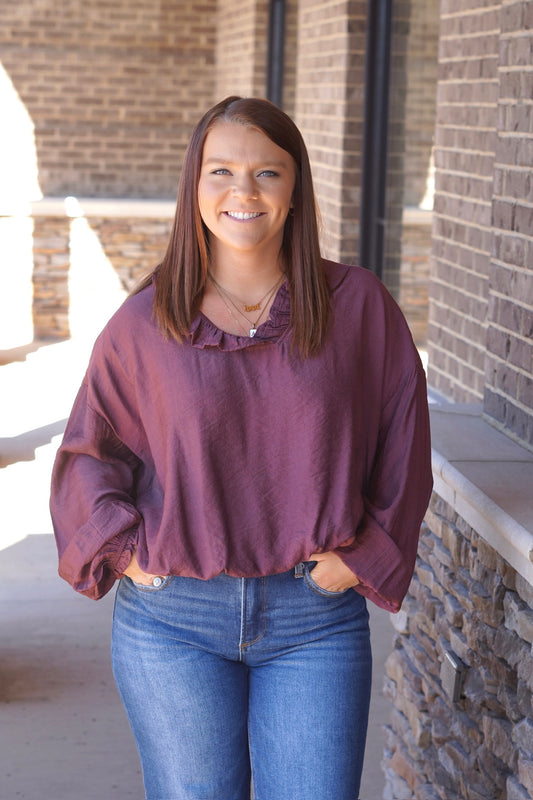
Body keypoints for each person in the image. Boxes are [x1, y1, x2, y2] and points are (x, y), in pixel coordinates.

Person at [50, 95, 433, 800]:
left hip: (313, 619)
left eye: (267, 173)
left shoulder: (357, 307)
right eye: (220, 170)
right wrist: (126, 555)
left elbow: (403, 445)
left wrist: (359, 560)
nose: (242, 191)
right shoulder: (146, 321)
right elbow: (90, 450)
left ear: (295, 190)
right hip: (173, 622)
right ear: (194, 187)